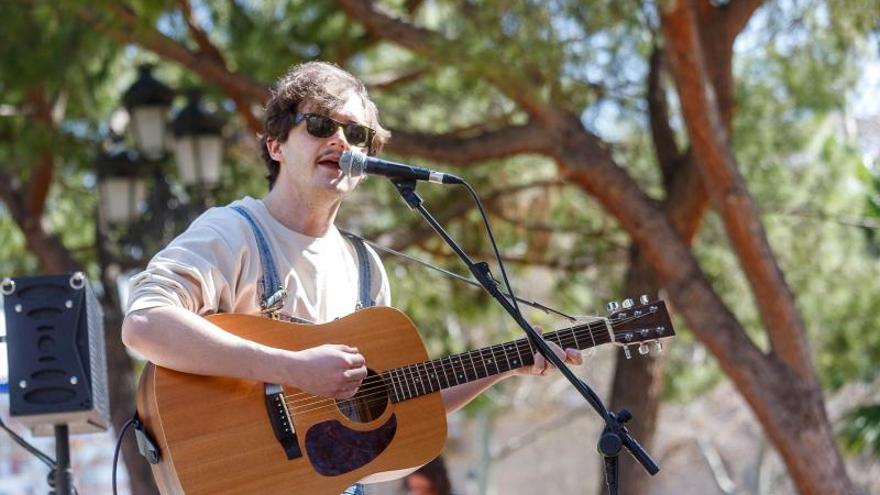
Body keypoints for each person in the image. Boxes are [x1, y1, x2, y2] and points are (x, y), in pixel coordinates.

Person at [121, 61, 582, 494]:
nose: (341, 141)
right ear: (276, 144)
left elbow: (395, 407)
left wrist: (504, 365)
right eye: (321, 125)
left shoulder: (365, 269)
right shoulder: (232, 231)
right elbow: (145, 324)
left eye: (356, 133)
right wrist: (292, 368)